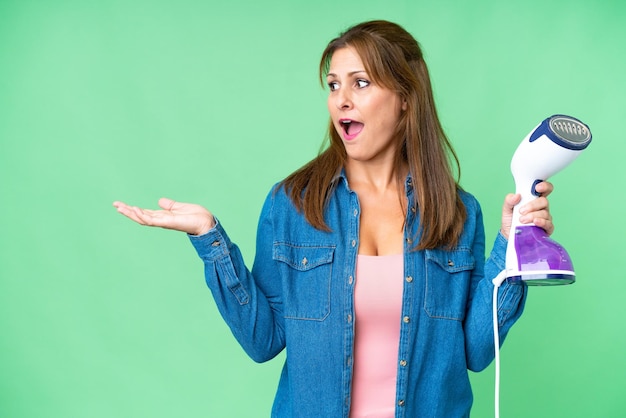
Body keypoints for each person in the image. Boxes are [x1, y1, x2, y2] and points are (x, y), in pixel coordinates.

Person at [113, 20, 554, 418]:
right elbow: (262, 341)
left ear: (404, 99)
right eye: (333, 85)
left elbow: (476, 352)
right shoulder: (293, 204)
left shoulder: (457, 212)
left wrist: (511, 246)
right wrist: (210, 239)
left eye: (360, 84)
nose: (342, 100)